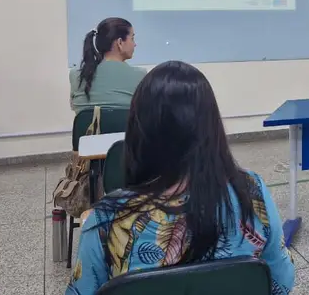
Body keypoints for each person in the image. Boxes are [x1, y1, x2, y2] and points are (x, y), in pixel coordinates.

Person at [66, 61, 295, 295]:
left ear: (138, 130)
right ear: (211, 126)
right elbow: (281, 282)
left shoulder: (105, 221)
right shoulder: (252, 194)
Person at [69, 17, 147, 113]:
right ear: (120, 42)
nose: (134, 44)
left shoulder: (76, 75)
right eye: (132, 38)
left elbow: (73, 106)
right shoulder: (140, 75)